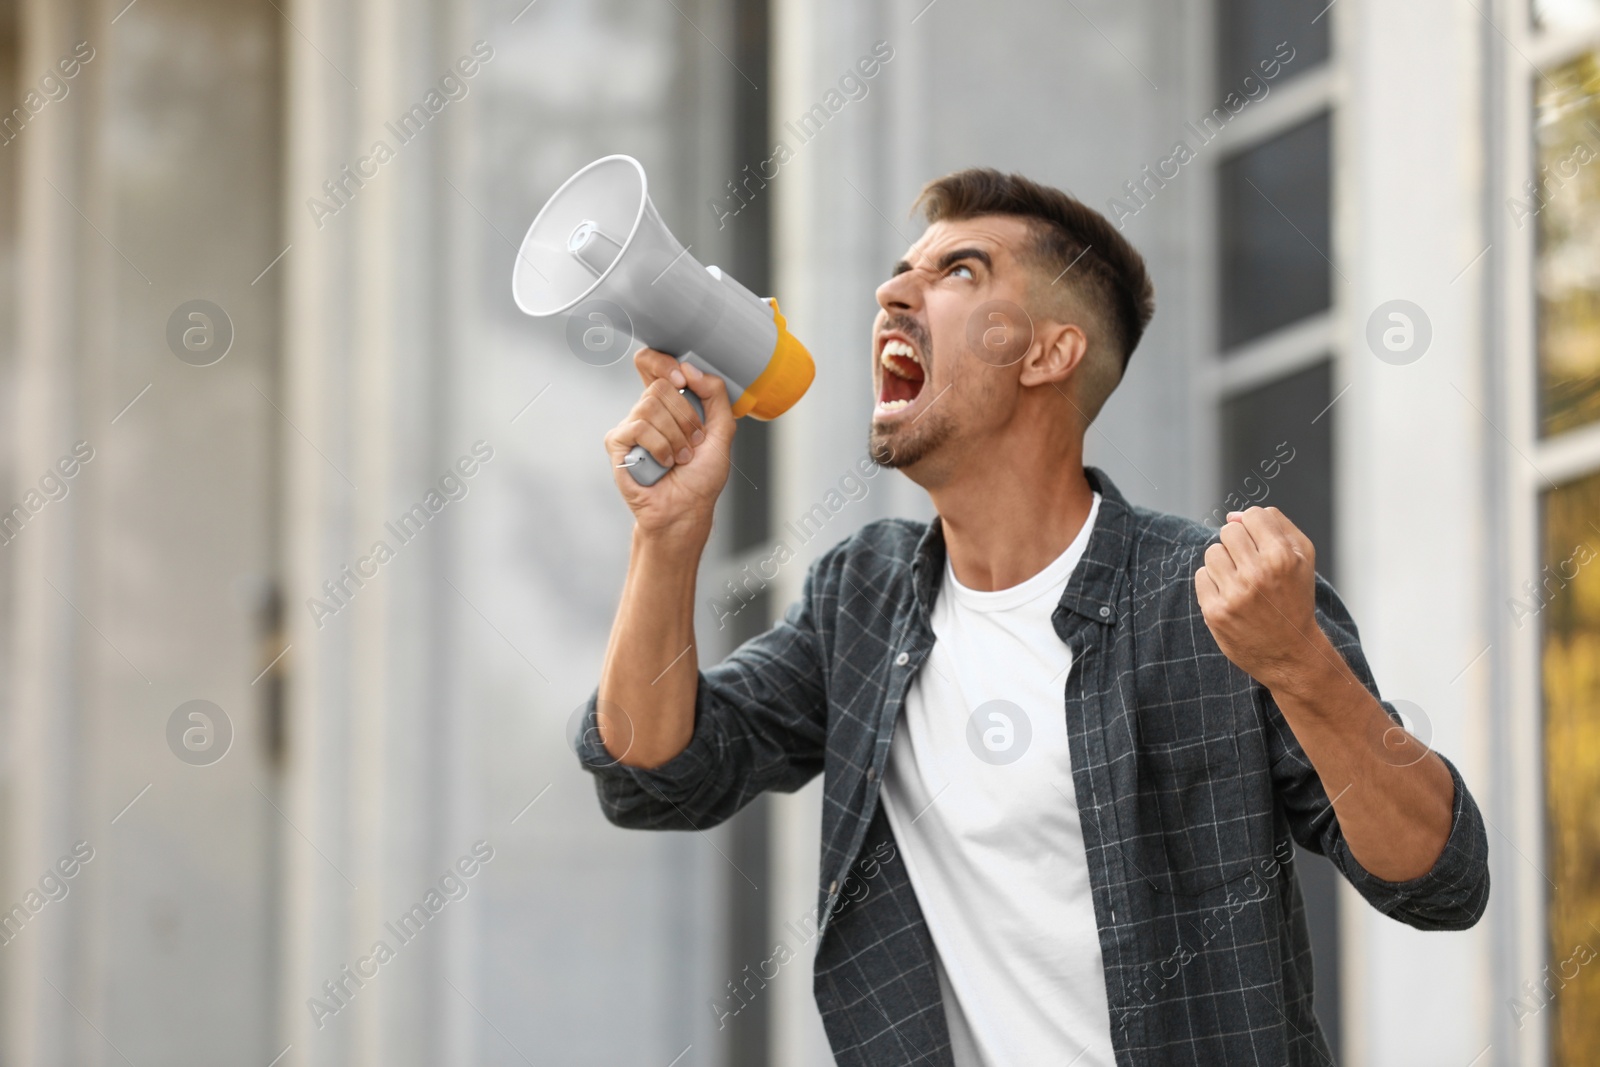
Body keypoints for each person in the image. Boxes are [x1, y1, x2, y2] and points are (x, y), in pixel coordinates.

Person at [574, 167, 1489, 1066]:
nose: (893, 292)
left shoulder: (1208, 598)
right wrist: (668, 533)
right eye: (902, 270)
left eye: (959, 272)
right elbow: (655, 773)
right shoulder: (862, 598)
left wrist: (1299, 662)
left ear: (1051, 352)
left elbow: (1440, 878)